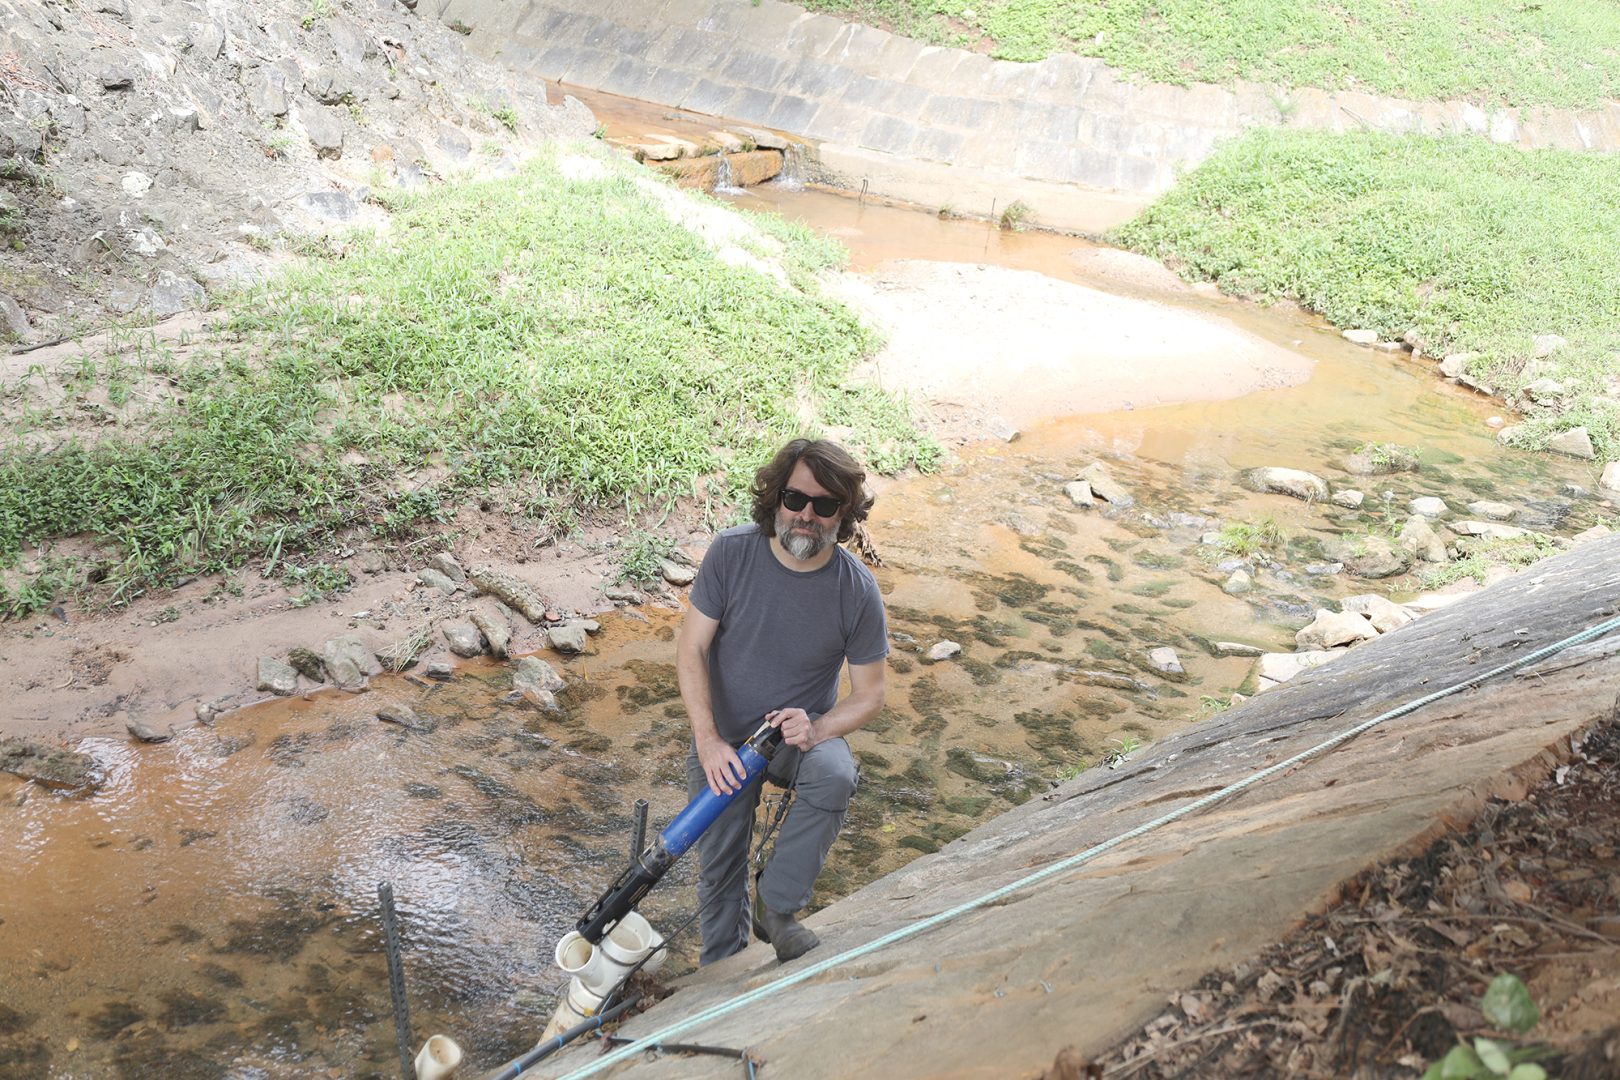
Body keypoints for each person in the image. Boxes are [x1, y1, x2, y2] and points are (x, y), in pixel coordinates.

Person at [676, 438, 889, 965]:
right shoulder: (731, 552)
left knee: (836, 772)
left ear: (845, 512)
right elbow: (691, 650)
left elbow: (871, 695)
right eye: (795, 500)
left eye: (824, 505)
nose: (806, 516)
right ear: (776, 499)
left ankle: (778, 905)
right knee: (720, 867)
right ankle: (720, 972)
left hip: (796, 737)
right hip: (724, 741)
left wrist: (817, 729)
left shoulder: (856, 591)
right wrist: (707, 740)